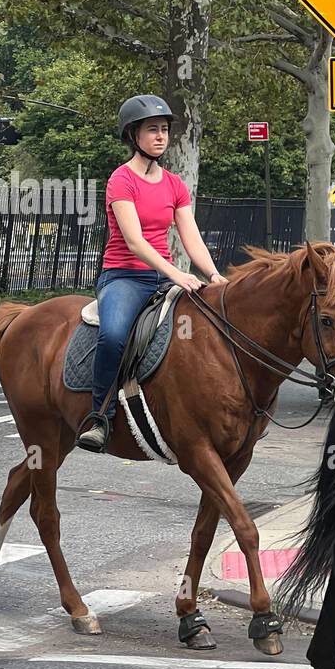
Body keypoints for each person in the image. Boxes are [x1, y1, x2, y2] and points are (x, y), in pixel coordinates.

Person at [75, 95, 227, 453]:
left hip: (164, 277)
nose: (160, 137)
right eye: (151, 130)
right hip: (124, 277)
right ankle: (100, 416)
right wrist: (176, 274)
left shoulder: (174, 184)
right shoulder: (120, 180)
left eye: (164, 130)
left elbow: (192, 239)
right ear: (133, 134)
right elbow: (135, 242)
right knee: (113, 336)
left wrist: (214, 274)